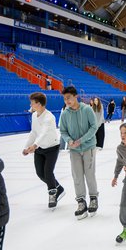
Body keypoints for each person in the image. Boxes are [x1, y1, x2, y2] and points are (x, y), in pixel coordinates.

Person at [59, 86, 99, 219]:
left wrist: (81, 140)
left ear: (76, 96)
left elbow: (94, 127)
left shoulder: (87, 109)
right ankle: (81, 201)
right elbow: (63, 131)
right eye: (65, 99)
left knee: (89, 174)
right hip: (74, 150)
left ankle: (93, 198)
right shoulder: (65, 114)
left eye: (69, 98)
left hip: (88, 147)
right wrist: (69, 140)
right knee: (77, 176)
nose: (67, 101)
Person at [23, 92, 64, 209]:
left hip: (52, 147)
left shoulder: (49, 117)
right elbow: (34, 132)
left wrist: (34, 145)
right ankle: (58, 188)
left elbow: (43, 133)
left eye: (32, 103)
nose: (30, 105)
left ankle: (52, 194)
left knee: (48, 172)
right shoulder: (34, 115)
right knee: (40, 173)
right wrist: (27, 146)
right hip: (40, 148)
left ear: (39, 104)